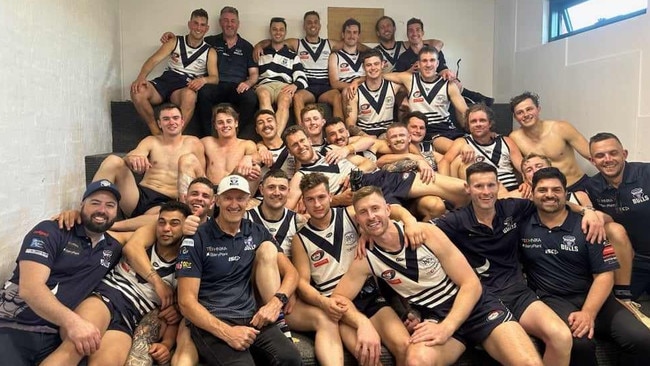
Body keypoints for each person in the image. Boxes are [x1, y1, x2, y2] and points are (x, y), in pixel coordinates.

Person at [333, 186, 543, 366]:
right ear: (358, 219)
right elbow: (339, 298)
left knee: (529, 363)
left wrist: (447, 327)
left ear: (388, 210)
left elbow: (471, 284)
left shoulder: (424, 233)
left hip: (475, 308)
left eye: (375, 209)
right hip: (435, 316)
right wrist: (362, 323)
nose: (371, 216)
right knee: (415, 360)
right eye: (363, 212)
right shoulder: (365, 259)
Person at [432, 162, 573, 364]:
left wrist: (587, 212)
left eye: (490, 185)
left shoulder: (512, 208)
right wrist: (408, 221)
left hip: (517, 292)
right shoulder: (455, 221)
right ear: (467, 188)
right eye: (479, 186)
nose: (486, 192)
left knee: (561, 336)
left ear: (499, 185)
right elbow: (420, 232)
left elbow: (551, 204)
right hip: (482, 300)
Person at [520, 167, 650, 365]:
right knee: (579, 343)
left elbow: (605, 275)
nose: (549, 195)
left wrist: (588, 313)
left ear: (565, 193)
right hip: (552, 299)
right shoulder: (522, 224)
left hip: (594, 295)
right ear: (533, 192)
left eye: (556, 190)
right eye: (543, 190)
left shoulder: (589, 225)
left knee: (641, 338)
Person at [289, 172, 422, 365]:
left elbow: (395, 211)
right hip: (338, 305)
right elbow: (301, 282)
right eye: (310, 199)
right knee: (369, 358)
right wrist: (323, 303)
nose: (317, 204)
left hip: (369, 295)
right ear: (303, 201)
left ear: (330, 196)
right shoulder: (300, 239)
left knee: (405, 347)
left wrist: (410, 222)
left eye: (321, 197)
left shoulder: (352, 213)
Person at [40, 201, 192, 366]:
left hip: (129, 318)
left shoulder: (185, 264)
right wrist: (78, 216)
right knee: (74, 349)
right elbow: (128, 246)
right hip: (106, 298)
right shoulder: (144, 241)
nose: (166, 228)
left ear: (186, 227)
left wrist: (168, 339)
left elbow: (180, 310)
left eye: (174, 224)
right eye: (162, 222)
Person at [0, 180, 129, 364]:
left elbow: (154, 225)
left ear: (117, 212)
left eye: (110, 205)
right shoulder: (51, 230)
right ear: (81, 205)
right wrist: (74, 322)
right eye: (95, 203)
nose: (102, 209)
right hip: (16, 326)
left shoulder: (111, 246)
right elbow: (30, 288)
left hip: (57, 336)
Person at [176, 175, 301, 365]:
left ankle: (280, 325)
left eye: (240, 198)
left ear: (249, 201)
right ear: (217, 200)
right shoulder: (196, 238)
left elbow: (292, 273)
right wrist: (228, 333)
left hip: (251, 317)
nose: (234, 204)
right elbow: (185, 302)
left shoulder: (257, 231)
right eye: (228, 197)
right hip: (213, 320)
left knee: (290, 358)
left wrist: (276, 303)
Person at [282, 125, 469, 210]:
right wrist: (335, 199)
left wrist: (351, 164)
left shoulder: (331, 150)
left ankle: (483, 213)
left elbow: (369, 163)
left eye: (302, 141)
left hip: (375, 179)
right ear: (290, 151)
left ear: (308, 139)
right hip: (354, 198)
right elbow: (289, 210)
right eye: (294, 145)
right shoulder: (300, 176)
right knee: (426, 210)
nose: (301, 146)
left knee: (460, 188)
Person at [94, 103, 204, 219]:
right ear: (159, 124)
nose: (171, 122)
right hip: (139, 196)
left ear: (182, 122)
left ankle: (116, 227)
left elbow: (201, 176)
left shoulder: (193, 143)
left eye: (175, 118)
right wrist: (133, 159)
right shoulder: (151, 141)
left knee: (161, 217)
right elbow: (132, 156)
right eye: (166, 119)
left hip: (169, 201)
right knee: (113, 161)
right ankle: (90, 209)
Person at [163, 6, 259, 139]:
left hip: (238, 86)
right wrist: (171, 38)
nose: (229, 24)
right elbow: (191, 43)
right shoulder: (210, 41)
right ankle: (209, 137)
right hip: (215, 85)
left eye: (232, 21)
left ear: (238, 24)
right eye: (225, 20)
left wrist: (248, 83)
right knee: (203, 93)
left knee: (251, 98)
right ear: (220, 22)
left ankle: (235, 135)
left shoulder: (247, 46)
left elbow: (254, 74)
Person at [253, 11, 353, 123]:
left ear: (320, 25)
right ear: (304, 26)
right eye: (309, 22)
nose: (313, 25)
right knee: (297, 97)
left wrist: (371, 50)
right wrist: (259, 45)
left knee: (337, 96)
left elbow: (351, 44)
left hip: (325, 87)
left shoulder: (329, 44)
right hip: (307, 87)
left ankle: (339, 127)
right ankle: (302, 131)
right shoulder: (296, 43)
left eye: (315, 22)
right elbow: (276, 40)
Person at [131, 9, 218, 135]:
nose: (198, 28)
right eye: (195, 23)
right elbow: (154, 60)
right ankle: (156, 132)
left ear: (207, 28)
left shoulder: (210, 51)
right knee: (137, 90)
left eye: (202, 25)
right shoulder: (174, 41)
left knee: (190, 95)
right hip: (165, 81)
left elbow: (215, 78)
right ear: (189, 24)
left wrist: (203, 80)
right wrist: (140, 78)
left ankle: (175, 135)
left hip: (183, 88)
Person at [587, 132, 650, 301]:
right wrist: (590, 212)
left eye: (613, 153)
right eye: (600, 156)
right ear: (592, 161)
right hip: (632, 262)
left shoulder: (646, 173)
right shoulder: (592, 187)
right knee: (619, 308)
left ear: (624, 154)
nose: (607, 159)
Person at [370, 47, 468, 153]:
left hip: (446, 128)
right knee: (459, 151)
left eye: (432, 60)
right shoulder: (410, 79)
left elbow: (465, 111)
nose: (428, 64)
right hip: (420, 128)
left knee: (466, 149)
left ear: (438, 63)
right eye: (424, 61)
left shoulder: (449, 84)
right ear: (419, 64)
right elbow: (379, 75)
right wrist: (357, 81)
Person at [509, 91, 591, 192]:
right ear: (515, 117)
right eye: (520, 112)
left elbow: (592, 155)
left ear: (538, 109)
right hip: (547, 192)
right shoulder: (515, 138)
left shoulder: (561, 128)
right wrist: (525, 182)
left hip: (577, 185)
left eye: (529, 109)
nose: (525, 114)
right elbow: (522, 168)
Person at [177, 104, 257, 200]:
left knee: (255, 169)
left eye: (229, 121)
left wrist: (248, 158)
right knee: (187, 159)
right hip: (209, 189)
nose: (225, 125)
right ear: (215, 125)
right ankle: (184, 208)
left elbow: (257, 156)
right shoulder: (206, 142)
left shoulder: (246, 144)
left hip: (234, 188)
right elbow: (183, 148)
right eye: (220, 122)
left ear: (236, 123)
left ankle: (244, 202)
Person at [440, 104, 523, 193]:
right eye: (473, 121)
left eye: (482, 120)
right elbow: (444, 162)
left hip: (513, 191)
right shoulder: (462, 142)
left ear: (490, 123)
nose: (478, 124)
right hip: (485, 193)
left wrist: (528, 184)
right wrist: (446, 188)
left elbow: (522, 167)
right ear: (468, 125)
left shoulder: (506, 141)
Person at [255, 17, 308, 135]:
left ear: (285, 32)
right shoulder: (261, 53)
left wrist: (295, 85)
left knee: (284, 100)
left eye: (281, 30)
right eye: (274, 29)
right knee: (263, 95)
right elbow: (252, 73)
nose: (278, 32)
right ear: (270, 31)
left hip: (283, 86)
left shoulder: (293, 56)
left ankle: (275, 137)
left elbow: (302, 78)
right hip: (265, 85)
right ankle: (268, 133)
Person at [345, 49, 401, 136]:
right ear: (363, 67)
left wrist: (357, 80)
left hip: (387, 134)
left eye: (376, 64)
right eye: (368, 65)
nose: (373, 68)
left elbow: (409, 77)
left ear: (382, 64)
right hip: (365, 135)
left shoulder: (393, 86)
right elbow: (350, 124)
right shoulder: (355, 91)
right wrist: (366, 137)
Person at [374, 15, 443, 73]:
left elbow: (438, 43)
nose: (386, 29)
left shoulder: (405, 45)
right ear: (378, 32)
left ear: (394, 28)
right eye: (382, 27)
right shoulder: (375, 52)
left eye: (388, 26)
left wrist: (428, 57)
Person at [328, 19, 366, 100]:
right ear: (343, 35)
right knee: (348, 92)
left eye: (355, 32)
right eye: (348, 32)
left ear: (358, 35)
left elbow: (372, 76)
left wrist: (359, 84)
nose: (352, 36)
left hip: (366, 87)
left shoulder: (366, 56)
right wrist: (352, 86)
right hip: (348, 89)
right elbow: (334, 83)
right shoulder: (335, 56)